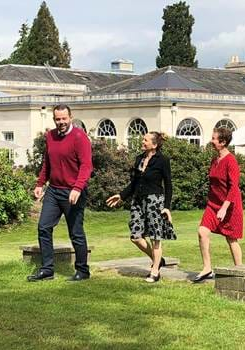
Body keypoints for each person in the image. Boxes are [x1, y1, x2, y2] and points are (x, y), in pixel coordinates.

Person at [28, 104, 93, 282]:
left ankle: (82, 270)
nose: (61, 122)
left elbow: (87, 166)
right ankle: (47, 269)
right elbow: (47, 164)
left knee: (76, 232)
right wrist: (40, 184)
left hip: (73, 192)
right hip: (54, 191)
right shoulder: (50, 136)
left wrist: (78, 188)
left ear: (70, 117)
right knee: (43, 227)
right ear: (54, 119)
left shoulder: (80, 137)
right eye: (58, 119)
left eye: (64, 118)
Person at [106, 132, 175, 283]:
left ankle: (155, 272)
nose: (142, 142)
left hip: (155, 201)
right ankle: (158, 259)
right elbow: (134, 183)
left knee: (155, 238)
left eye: (145, 140)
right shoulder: (139, 159)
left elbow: (168, 185)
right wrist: (121, 195)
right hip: (138, 201)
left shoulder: (162, 160)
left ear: (154, 144)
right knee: (136, 237)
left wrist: (167, 207)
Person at [193, 127, 243, 283]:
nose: (211, 141)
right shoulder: (215, 160)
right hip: (213, 205)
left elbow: (234, 187)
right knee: (202, 232)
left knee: (231, 239)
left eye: (214, 138)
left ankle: (240, 271)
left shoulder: (231, 161)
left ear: (223, 142)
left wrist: (224, 207)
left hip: (230, 206)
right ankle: (207, 268)